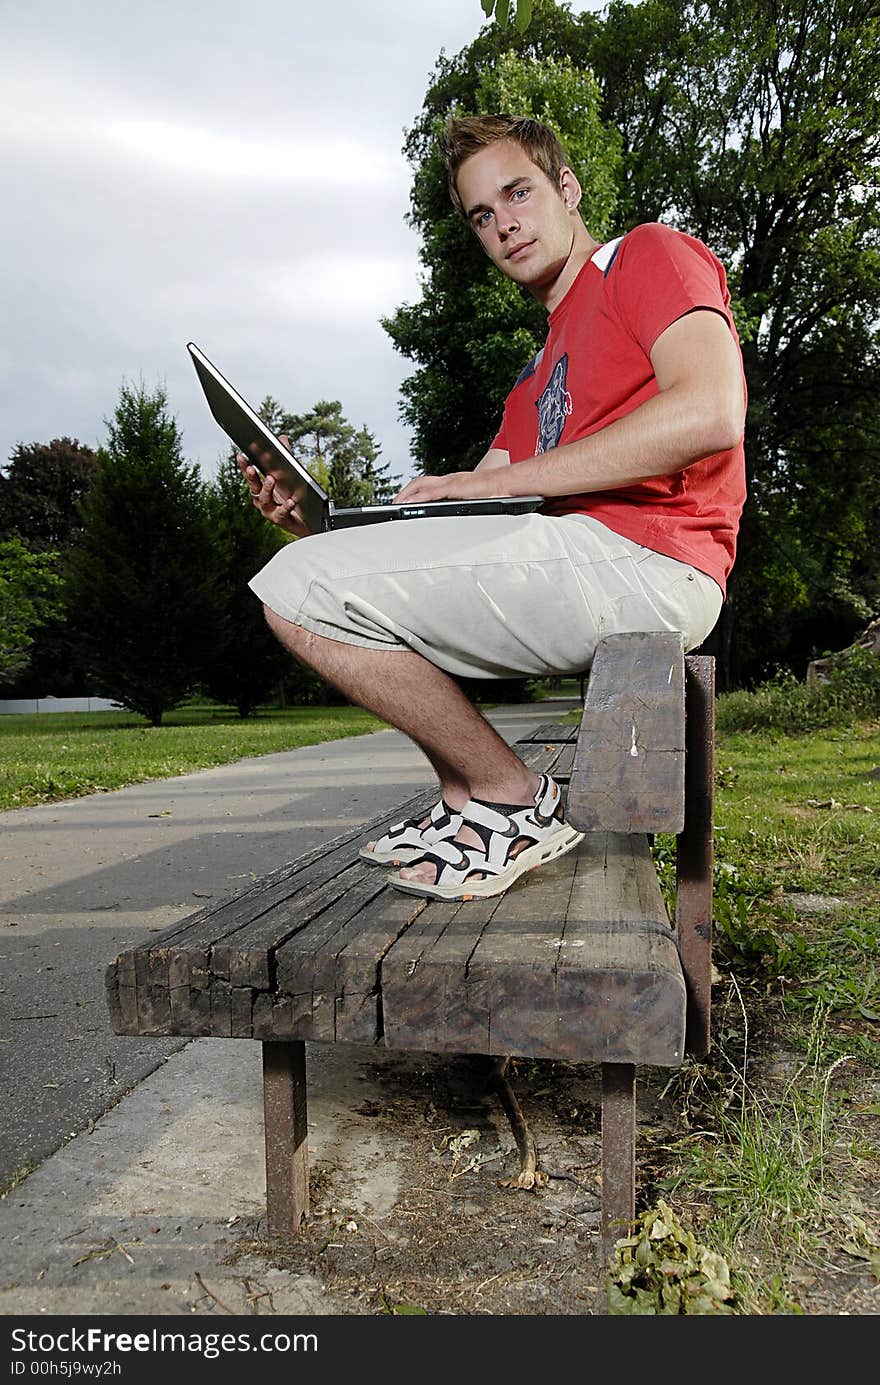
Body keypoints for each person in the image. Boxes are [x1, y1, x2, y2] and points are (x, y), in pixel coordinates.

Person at [237, 114, 747, 903]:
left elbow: (712, 410)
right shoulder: (538, 375)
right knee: (311, 581)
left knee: (294, 589)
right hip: (585, 554)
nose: (504, 222)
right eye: (482, 214)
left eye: (518, 193)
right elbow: (456, 536)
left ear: (567, 189)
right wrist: (317, 528)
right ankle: (469, 799)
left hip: (656, 557)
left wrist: (494, 484)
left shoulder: (644, 256)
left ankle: (512, 798)